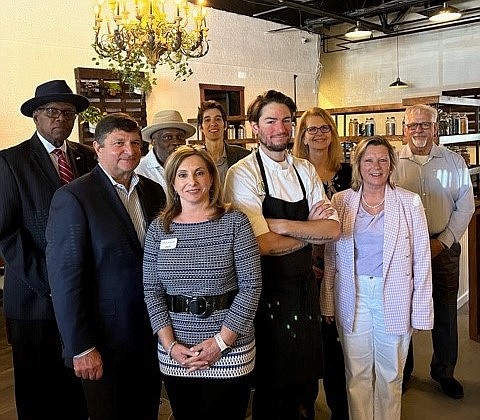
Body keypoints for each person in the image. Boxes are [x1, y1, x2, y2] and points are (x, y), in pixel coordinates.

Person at [224, 90, 341, 420]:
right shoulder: (243, 173)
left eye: (286, 120)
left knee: (306, 385)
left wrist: (283, 225)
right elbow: (260, 244)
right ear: (255, 127)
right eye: (270, 120)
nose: (280, 127)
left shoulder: (305, 169)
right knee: (273, 387)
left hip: (305, 289)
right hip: (264, 293)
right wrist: (308, 229)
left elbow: (332, 231)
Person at [45, 113, 166, 420]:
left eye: (136, 143)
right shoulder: (73, 197)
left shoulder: (153, 191)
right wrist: (81, 347)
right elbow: (65, 280)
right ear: (97, 148)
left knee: (146, 409)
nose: (130, 150)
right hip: (104, 339)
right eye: (119, 143)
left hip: (151, 332)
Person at [0, 79, 97, 420]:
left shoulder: (87, 158)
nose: (61, 119)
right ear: (36, 117)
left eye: (68, 113)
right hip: (34, 298)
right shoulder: (11, 162)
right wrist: (51, 282)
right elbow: (7, 233)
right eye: (52, 112)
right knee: (38, 392)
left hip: (84, 294)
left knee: (77, 386)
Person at [143, 145, 262, 420]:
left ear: (211, 178)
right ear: (172, 182)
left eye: (199, 173)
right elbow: (152, 291)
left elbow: (251, 286)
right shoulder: (159, 229)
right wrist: (170, 345)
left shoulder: (234, 222)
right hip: (177, 352)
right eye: (182, 175)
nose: (192, 182)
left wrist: (220, 343)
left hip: (231, 350)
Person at [321, 136, 433, 420]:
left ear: (391, 164)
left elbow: (422, 260)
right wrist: (328, 303)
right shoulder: (341, 201)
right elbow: (331, 258)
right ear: (358, 165)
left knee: (391, 375)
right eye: (369, 160)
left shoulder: (409, 203)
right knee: (356, 376)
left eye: (383, 160)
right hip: (353, 296)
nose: (376, 166)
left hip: (394, 298)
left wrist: (420, 312)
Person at [394, 104, 475, 399]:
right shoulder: (391, 161)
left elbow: (465, 204)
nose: (419, 130)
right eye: (413, 125)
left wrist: (443, 241)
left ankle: (444, 372)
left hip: (444, 248)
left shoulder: (454, 162)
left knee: (445, 312)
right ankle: (403, 371)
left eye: (425, 125)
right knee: (402, 309)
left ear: (435, 128)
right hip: (403, 250)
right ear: (405, 129)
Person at [293, 107, 350, 420]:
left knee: (337, 345)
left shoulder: (350, 172)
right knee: (307, 345)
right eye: (310, 129)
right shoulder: (293, 174)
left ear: (332, 132)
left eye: (323, 128)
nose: (317, 134)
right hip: (305, 266)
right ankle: (306, 409)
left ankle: (341, 409)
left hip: (343, 267)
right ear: (302, 135)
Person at [136, 109, 196, 191]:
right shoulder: (139, 171)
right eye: (168, 137)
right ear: (154, 142)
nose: (176, 142)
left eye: (180, 137)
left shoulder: (193, 165)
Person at [197, 100, 251, 184]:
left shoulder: (245, 156)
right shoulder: (196, 159)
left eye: (218, 119)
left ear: (225, 125)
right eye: (207, 120)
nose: (213, 123)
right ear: (201, 128)